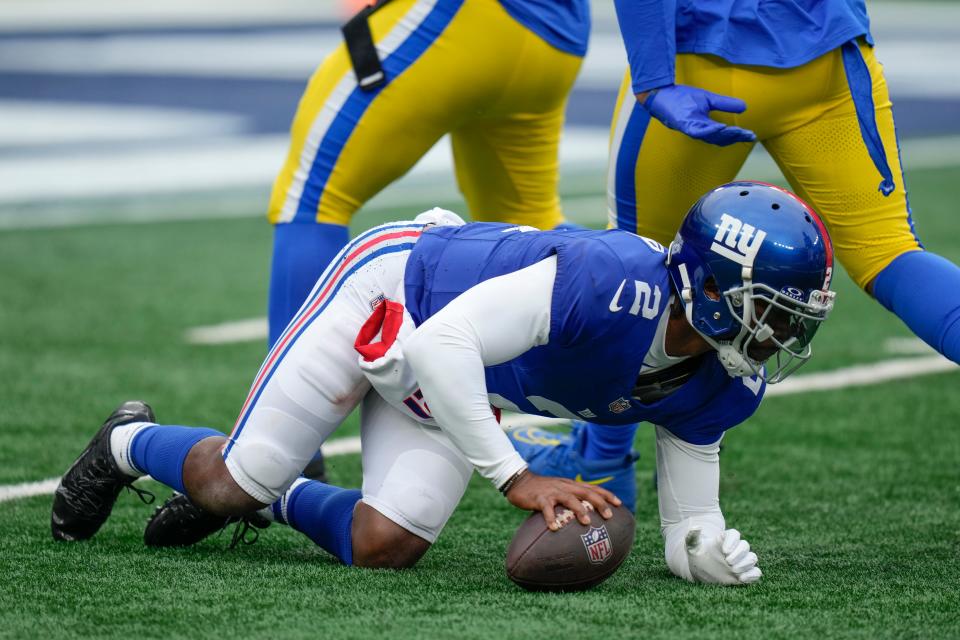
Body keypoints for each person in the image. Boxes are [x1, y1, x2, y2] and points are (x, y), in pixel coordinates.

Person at [51, 182, 835, 585]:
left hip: (462, 373)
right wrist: (517, 476)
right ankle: (124, 443)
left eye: (795, 319)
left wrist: (702, 551)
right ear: (708, 286)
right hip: (398, 298)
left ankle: (276, 499)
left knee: (384, 546)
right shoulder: (610, 283)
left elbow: (688, 519)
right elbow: (442, 344)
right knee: (231, 483)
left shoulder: (724, 383)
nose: (782, 337)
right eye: (769, 312)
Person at [524, 0, 960, 500]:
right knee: (890, 252)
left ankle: (600, 461)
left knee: (635, 260)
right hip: (827, 54)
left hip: (704, 58)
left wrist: (654, 79)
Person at [267, 0, 590, 479]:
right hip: (555, 38)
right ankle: (637, 409)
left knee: (312, 197)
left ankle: (280, 440)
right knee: (531, 227)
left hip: (461, 19)